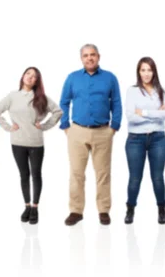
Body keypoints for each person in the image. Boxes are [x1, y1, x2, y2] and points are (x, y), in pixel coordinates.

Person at [59, 43, 122, 226]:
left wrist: (114, 127)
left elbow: (116, 103)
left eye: (92, 54)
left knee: (103, 173)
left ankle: (103, 210)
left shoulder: (110, 78)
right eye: (86, 55)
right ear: (81, 58)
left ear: (99, 56)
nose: (89, 58)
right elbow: (64, 102)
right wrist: (66, 126)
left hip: (103, 132)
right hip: (77, 132)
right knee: (76, 173)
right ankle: (76, 211)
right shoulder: (72, 78)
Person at [0, 67, 62, 224]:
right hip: (17, 142)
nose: (30, 77)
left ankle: (35, 207)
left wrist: (44, 126)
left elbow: (58, 112)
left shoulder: (41, 97)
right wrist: (8, 127)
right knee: (24, 175)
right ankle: (27, 206)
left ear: (37, 81)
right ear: (23, 76)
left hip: (36, 142)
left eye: (34, 76)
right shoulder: (13, 96)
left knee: (36, 174)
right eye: (28, 74)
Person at [123, 57, 165, 224]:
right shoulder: (132, 91)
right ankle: (130, 209)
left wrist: (143, 112)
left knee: (158, 177)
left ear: (154, 72)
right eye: (143, 70)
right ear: (138, 72)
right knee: (135, 178)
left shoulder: (161, 91)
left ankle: (162, 209)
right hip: (135, 139)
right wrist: (156, 113)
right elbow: (130, 116)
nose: (146, 73)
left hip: (158, 139)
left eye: (149, 70)